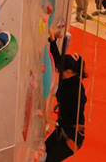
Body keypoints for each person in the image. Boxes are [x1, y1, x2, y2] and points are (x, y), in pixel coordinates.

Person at [45, 30, 87, 161]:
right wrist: (52, 41)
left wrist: (50, 120)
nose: (59, 70)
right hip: (63, 128)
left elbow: (71, 117)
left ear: (69, 71)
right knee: (43, 151)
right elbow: (58, 62)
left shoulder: (75, 93)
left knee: (48, 159)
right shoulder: (68, 76)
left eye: (62, 69)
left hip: (71, 136)